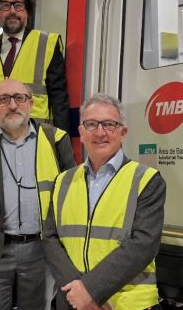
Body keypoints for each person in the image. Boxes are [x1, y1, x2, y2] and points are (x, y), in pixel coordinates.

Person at [0, 78, 76, 309]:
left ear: (31, 103)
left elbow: (73, 201)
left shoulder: (56, 140)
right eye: (3, 99)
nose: (12, 105)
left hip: (41, 252)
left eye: (20, 98)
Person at [44, 94, 166, 310]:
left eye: (109, 125)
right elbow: (50, 238)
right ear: (81, 133)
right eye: (91, 124)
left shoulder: (146, 179)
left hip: (125, 304)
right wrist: (78, 292)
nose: (100, 132)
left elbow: (143, 244)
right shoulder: (63, 181)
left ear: (123, 132)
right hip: (72, 301)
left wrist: (91, 290)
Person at [0, 0, 70, 130]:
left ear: (27, 11)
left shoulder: (47, 44)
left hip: (35, 141)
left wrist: (61, 144)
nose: (12, 11)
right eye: (5, 5)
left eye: (18, 5)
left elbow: (59, 100)